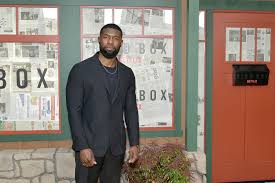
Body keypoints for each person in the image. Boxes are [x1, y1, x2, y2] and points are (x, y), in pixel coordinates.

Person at [66, 23, 139, 183]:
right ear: (99, 40)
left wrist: (134, 143)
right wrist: (82, 146)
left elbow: (131, 110)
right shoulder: (80, 70)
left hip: (116, 148)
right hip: (89, 146)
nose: (110, 42)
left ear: (121, 42)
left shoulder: (127, 74)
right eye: (106, 37)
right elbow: (74, 111)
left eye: (115, 38)